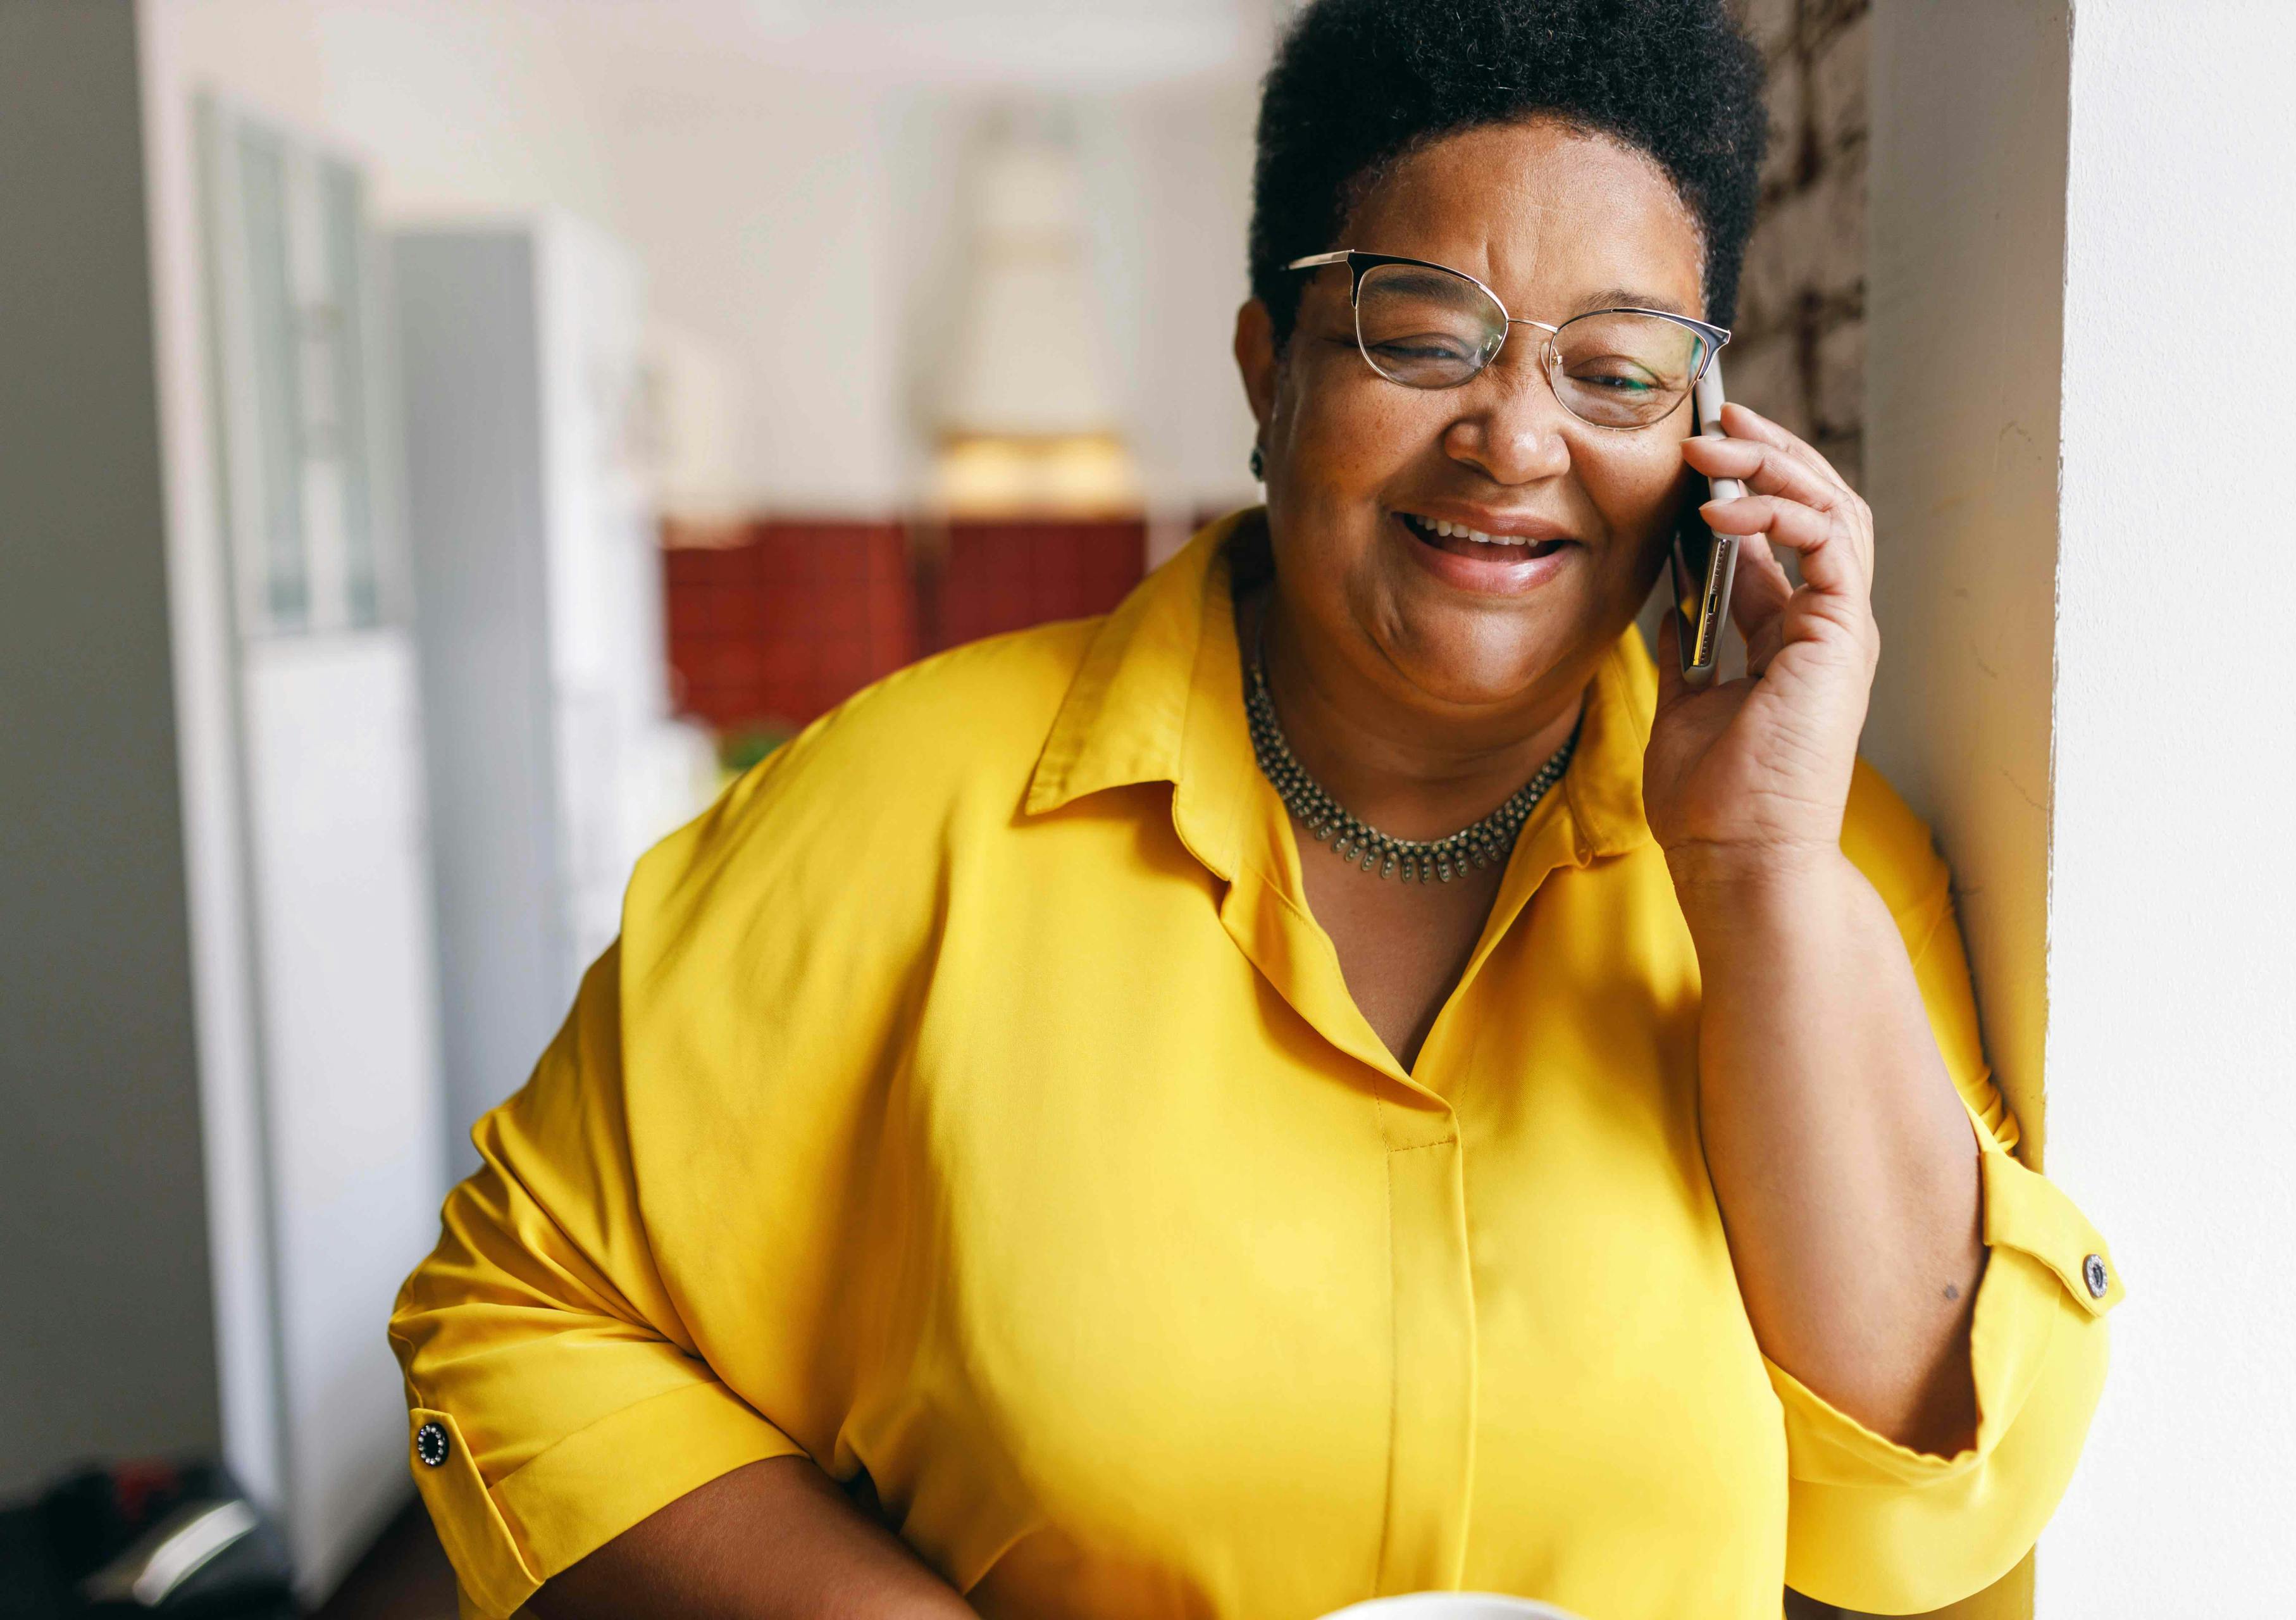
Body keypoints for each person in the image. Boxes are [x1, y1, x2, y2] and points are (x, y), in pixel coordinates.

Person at [390, 2, 2118, 1615]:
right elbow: (524, 1315)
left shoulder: (1823, 870)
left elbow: (1927, 1509)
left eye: (1617, 372)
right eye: (1425, 335)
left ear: (1710, 441)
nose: (1516, 440)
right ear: (1265, 371)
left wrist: (1753, 881)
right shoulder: (901, 804)